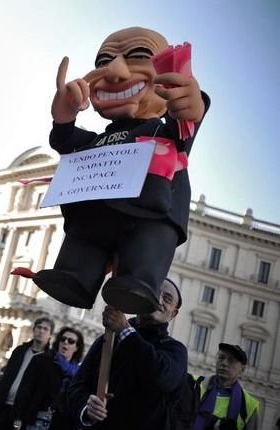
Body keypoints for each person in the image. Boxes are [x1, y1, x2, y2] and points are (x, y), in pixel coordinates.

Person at [33, 27, 210, 314]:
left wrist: (191, 105)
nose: (114, 70)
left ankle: (139, 281)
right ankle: (76, 277)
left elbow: (185, 127)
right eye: (103, 61)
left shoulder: (160, 132)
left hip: (151, 212)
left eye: (138, 55)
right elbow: (67, 142)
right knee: (83, 236)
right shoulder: (99, 138)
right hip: (95, 212)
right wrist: (63, 122)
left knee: (146, 246)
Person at [66, 278, 187, 430]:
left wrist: (125, 331)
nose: (159, 299)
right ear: (142, 296)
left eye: (167, 298)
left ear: (173, 313)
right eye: (155, 292)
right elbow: (77, 386)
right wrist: (86, 408)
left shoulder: (175, 350)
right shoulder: (108, 339)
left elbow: (162, 377)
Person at [0, 317, 54, 430]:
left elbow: (39, 392)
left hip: (22, 414)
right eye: (39, 327)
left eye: (45, 329)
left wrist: (24, 416)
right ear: (34, 330)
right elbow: (6, 377)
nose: (41, 331)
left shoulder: (49, 360)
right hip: (4, 407)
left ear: (50, 335)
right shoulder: (19, 351)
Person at [192, 343, 260, 430]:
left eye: (231, 360)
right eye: (221, 357)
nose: (224, 363)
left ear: (242, 369)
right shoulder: (194, 384)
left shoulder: (250, 406)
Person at [40, 326, 85, 430]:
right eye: (63, 339)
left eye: (71, 341)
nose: (66, 342)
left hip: (64, 425)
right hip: (40, 419)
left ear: (76, 348)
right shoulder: (44, 361)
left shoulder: (79, 373)